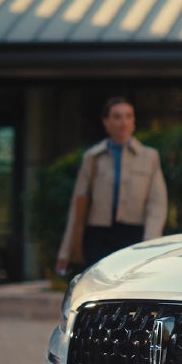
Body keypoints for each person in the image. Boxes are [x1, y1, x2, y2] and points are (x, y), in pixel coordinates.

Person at [55, 97, 167, 276]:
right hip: (98, 236)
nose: (123, 122)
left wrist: (151, 242)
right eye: (117, 116)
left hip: (133, 235)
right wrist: (65, 252)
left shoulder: (149, 157)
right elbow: (78, 206)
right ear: (106, 122)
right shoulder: (92, 157)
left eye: (128, 116)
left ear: (134, 121)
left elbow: (157, 204)